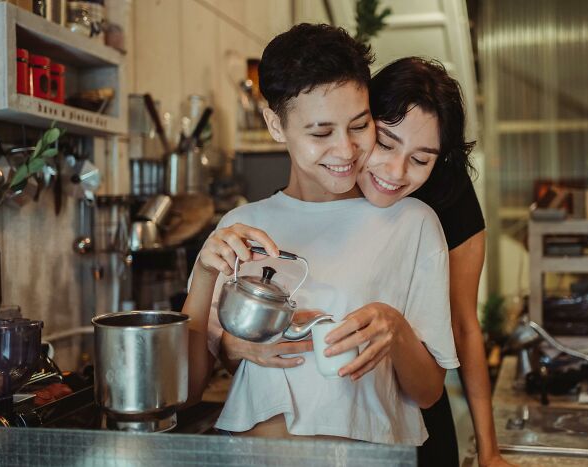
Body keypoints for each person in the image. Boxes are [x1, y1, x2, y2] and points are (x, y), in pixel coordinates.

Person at [220, 57, 514, 467]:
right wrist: (229, 345)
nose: (396, 171)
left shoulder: (434, 205)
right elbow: (223, 341)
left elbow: (463, 324)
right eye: (386, 143)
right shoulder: (265, 220)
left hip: (396, 414)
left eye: (421, 159)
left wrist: (489, 450)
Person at [183, 23, 458, 445]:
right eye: (321, 133)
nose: (345, 150)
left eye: (359, 125)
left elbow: (428, 393)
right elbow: (186, 393)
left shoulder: (412, 222)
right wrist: (204, 272)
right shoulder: (242, 228)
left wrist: (394, 327)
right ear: (276, 125)